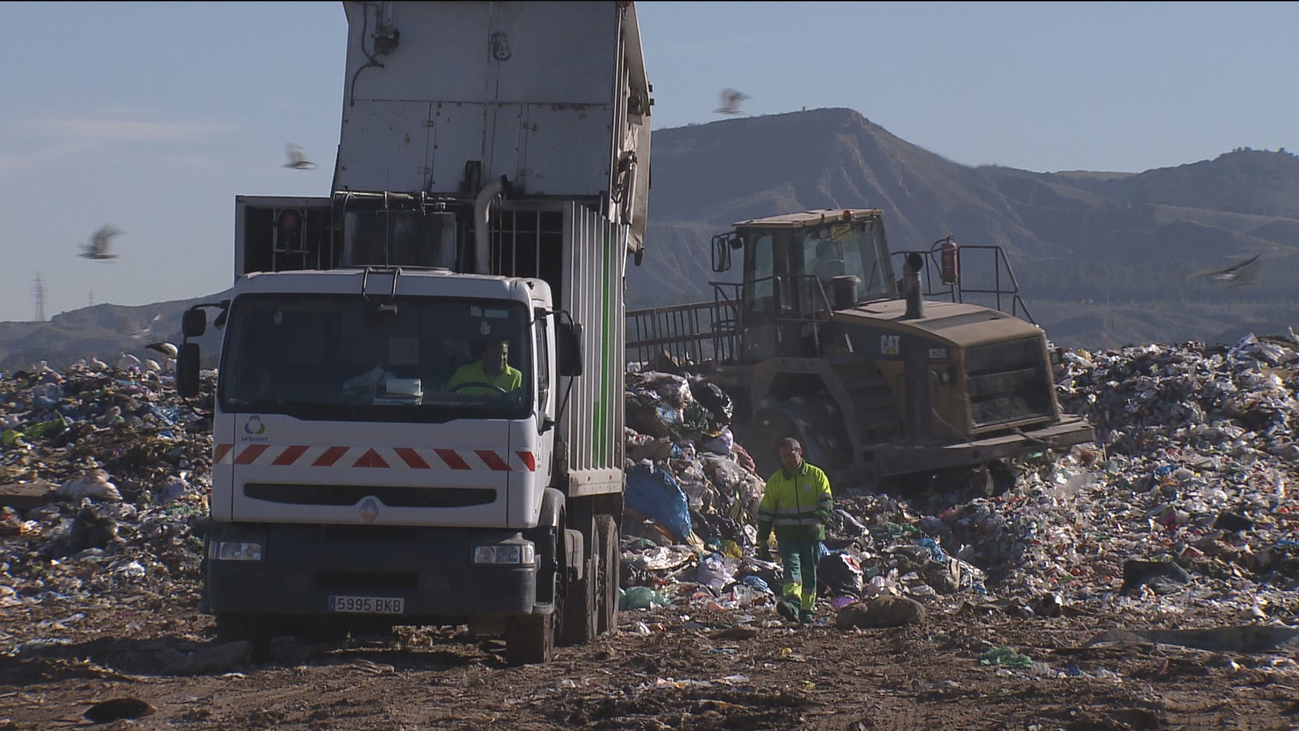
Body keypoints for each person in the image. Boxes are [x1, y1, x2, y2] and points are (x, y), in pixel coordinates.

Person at [756, 437, 833, 625]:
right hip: (787, 536)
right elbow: (766, 512)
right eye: (784, 457)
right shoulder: (776, 481)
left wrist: (819, 521)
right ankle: (792, 604)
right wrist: (762, 538)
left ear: (800, 452)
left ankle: (807, 611)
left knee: (809, 573)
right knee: (792, 569)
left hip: (811, 535)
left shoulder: (816, 475)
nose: (788, 460)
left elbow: (826, 501)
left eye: (791, 455)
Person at [446, 338, 522, 394]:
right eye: (495, 354)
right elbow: (447, 397)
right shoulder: (462, 373)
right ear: (484, 355)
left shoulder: (516, 376)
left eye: (504, 354)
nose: (501, 358)